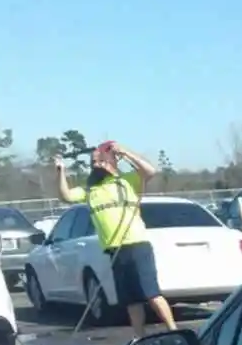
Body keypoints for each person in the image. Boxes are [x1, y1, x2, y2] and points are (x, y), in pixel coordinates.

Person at [52, 141, 176, 332]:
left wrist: (125, 152)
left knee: (151, 294)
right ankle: (139, 337)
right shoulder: (91, 190)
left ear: (112, 162)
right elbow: (66, 196)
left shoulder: (127, 181)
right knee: (130, 300)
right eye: (93, 162)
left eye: (100, 161)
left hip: (136, 245)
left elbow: (150, 171)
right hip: (114, 250)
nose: (96, 165)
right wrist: (60, 171)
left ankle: (173, 330)